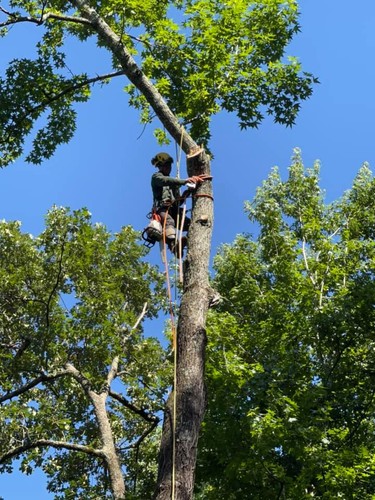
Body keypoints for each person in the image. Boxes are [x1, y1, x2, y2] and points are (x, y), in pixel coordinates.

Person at [151, 152, 210, 254]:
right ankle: (174, 246)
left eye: (169, 165)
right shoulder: (156, 177)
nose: (167, 167)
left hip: (175, 210)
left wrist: (188, 191)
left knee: (191, 224)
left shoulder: (174, 184)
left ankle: (185, 244)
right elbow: (165, 180)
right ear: (159, 166)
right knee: (169, 222)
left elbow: (179, 201)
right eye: (165, 165)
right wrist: (185, 181)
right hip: (163, 209)